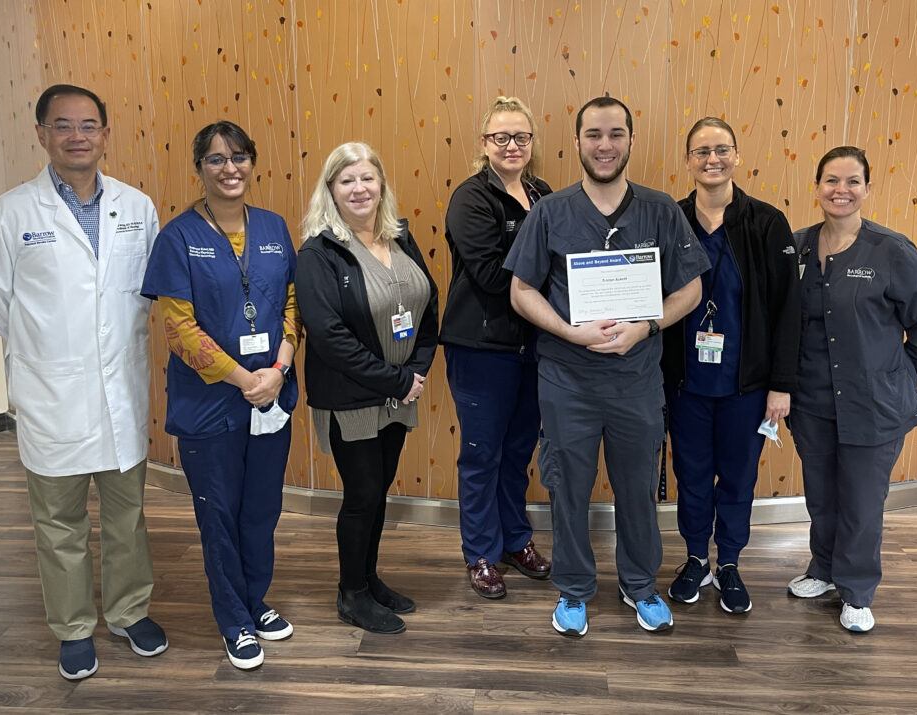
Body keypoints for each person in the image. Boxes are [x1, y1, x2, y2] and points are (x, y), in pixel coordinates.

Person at [0, 84, 167, 680]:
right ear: (42, 134)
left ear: (106, 133)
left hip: (122, 391)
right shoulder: (9, 214)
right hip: (51, 394)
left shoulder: (137, 207)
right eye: (62, 126)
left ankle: (130, 613)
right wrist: (51, 348)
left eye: (88, 125)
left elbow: (146, 295)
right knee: (59, 523)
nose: (76, 136)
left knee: (127, 516)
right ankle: (74, 627)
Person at [505, 96, 709, 637]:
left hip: (636, 381)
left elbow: (691, 287)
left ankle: (640, 584)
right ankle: (573, 590)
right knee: (567, 487)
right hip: (566, 380)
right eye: (593, 134)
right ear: (576, 143)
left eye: (615, 134)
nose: (604, 145)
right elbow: (521, 290)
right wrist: (569, 331)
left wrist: (646, 327)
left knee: (638, 487)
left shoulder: (661, 210)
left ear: (630, 141)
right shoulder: (550, 212)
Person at [141, 121, 299, 670]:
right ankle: (234, 620)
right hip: (211, 406)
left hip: (272, 397)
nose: (229, 168)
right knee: (219, 515)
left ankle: (256, 602)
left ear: (253, 162)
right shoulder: (178, 237)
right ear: (199, 169)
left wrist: (279, 367)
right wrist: (243, 379)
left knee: (261, 510)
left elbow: (291, 307)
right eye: (215, 159)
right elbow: (179, 329)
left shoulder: (276, 228)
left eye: (238, 157)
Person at [785, 146, 917, 632]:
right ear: (817, 187)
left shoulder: (893, 251)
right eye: (831, 180)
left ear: (867, 190)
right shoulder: (798, 248)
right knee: (822, 494)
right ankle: (824, 570)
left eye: (853, 182)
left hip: (874, 406)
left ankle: (856, 590)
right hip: (811, 401)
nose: (841, 191)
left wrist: (894, 380)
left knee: (861, 499)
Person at [296, 142, 438, 635]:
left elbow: (428, 304)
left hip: (399, 393)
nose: (359, 189)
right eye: (346, 181)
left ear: (381, 185)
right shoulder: (320, 252)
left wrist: (415, 371)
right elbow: (329, 337)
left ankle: (369, 578)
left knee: (378, 493)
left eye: (367, 178)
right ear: (330, 190)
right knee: (362, 495)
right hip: (352, 398)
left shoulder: (399, 235)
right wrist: (399, 380)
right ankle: (350, 593)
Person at [661, 117, 800, 614]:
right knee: (692, 474)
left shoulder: (766, 222)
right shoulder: (671, 219)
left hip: (748, 385)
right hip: (686, 383)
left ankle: (730, 563)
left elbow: (789, 311)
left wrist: (782, 385)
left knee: (739, 476)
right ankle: (697, 557)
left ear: (737, 156)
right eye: (701, 151)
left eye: (721, 150)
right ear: (688, 160)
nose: (712, 159)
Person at [440, 96, 553, 599]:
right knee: (483, 453)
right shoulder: (471, 198)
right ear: (484, 144)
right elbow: (489, 275)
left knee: (517, 451)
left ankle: (515, 539)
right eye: (501, 137)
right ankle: (481, 553)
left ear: (532, 143)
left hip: (535, 346)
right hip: (482, 346)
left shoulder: (543, 193)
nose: (511, 146)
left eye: (521, 137)